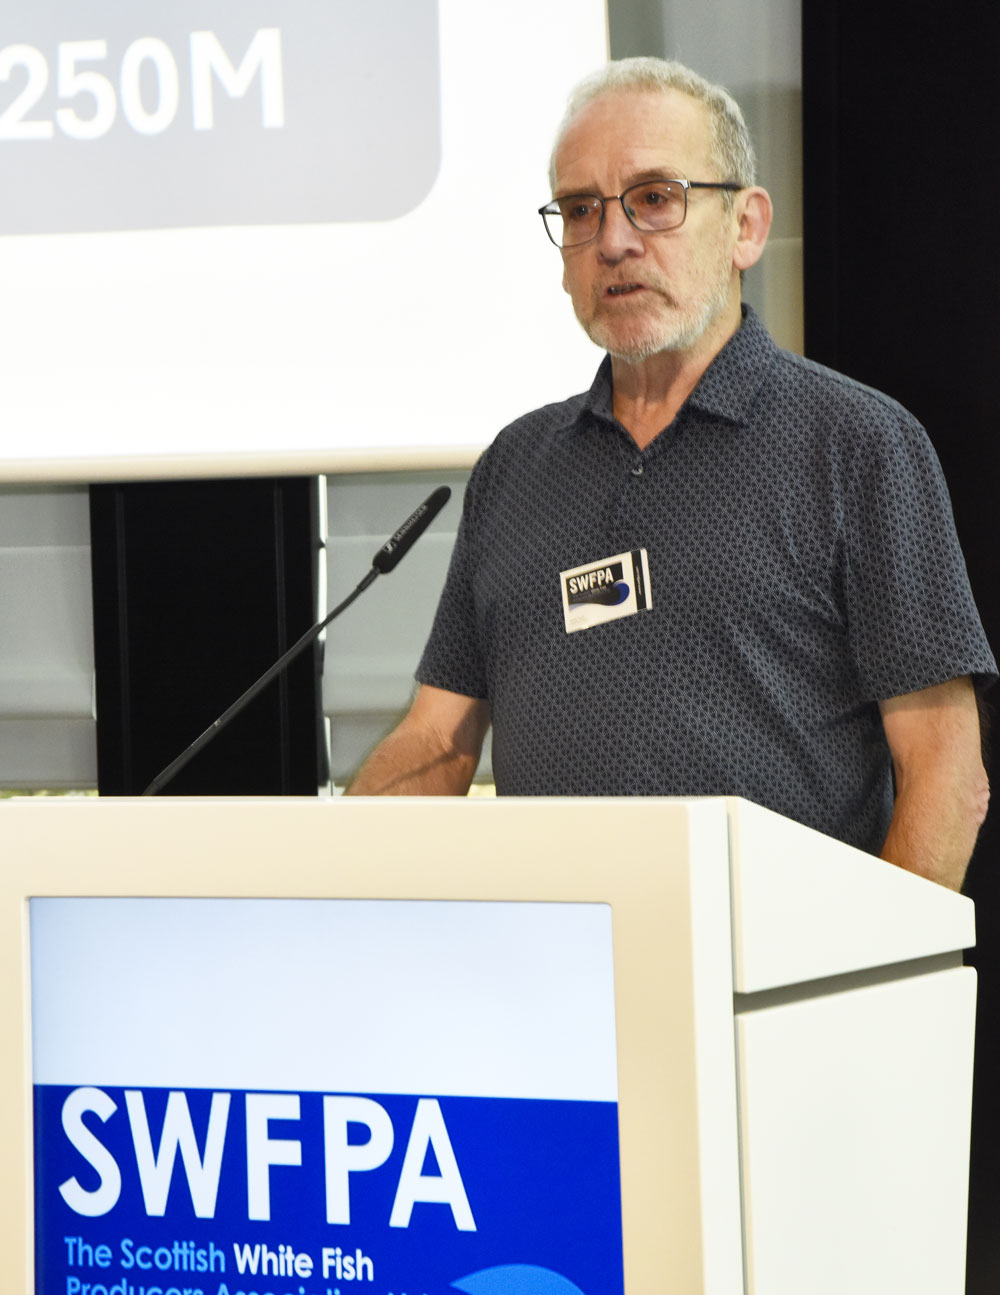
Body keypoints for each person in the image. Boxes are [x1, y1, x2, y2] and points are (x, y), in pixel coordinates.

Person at [347, 56, 995, 891]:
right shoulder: (515, 465)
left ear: (746, 227)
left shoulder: (857, 444)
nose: (613, 240)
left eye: (654, 198)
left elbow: (945, 771)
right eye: (581, 209)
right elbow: (438, 739)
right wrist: (320, 872)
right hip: (562, 959)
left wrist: (873, 963)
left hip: (779, 965)